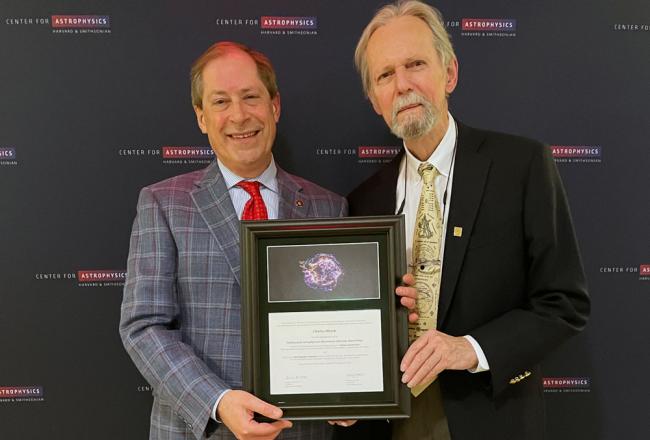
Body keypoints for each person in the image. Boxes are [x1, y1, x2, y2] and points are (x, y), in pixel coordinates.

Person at [338, 1, 591, 439]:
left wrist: (469, 349)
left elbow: (563, 303)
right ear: (374, 99)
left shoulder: (521, 165)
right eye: (384, 75)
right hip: (389, 422)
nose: (402, 85)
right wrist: (345, 391)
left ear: (449, 72)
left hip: (491, 415)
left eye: (415, 64)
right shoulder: (362, 202)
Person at [119, 41, 348, 440]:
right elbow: (143, 326)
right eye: (221, 102)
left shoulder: (328, 207)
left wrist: (350, 390)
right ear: (201, 117)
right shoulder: (163, 203)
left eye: (251, 97)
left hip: (300, 431)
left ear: (274, 106)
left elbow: (341, 323)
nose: (239, 116)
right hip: (199, 430)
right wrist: (218, 401)